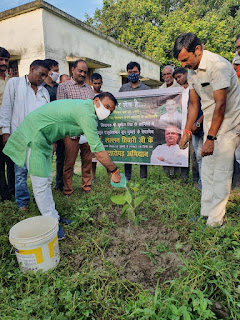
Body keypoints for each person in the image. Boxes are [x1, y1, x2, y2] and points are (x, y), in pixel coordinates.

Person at [3, 92, 120, 239]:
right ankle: (51, 224)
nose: (107, 111)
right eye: (107, 106)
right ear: (96, 100)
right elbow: (96, 147)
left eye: (110, 110)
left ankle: (53, 217)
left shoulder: (87, 111)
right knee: (40, 182)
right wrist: (114, 170)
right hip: (34, 133)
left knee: (46, 180)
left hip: (44, 138)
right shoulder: (86, 113)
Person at [174, 32, 240, 227]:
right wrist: (186, 132)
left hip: (229, 123)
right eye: (181, 62)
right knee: (208, 170)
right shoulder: (192, 70)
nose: (184, 65)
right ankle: (206, 213)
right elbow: (194, 105)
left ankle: (216, 221)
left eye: (185, 60)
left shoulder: (217, 65)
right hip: (212, 123)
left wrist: (210, 138)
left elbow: (221, 105)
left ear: (198, 50)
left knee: (221, 171)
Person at [0, 60, 50, 211]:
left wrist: (51, 140)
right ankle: (22, 203)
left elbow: (47, 117)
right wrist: (5, 132)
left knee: (40, 171)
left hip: (40, 139)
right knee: (20, 172)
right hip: (20, 136)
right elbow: (6, 108)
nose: (43, 78)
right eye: (41, 74)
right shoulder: (15, 84)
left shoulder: (44, 92)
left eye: (46, 75)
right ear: (32, 69)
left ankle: (39, 198)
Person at [57, 59, 94, 196]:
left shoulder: (89, 89)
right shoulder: (64, 87)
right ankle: (68, 190)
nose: (83, 74)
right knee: (69, 162)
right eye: (80, 71)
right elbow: (61, 110)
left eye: (85, 72)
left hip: (86, 131)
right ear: (73, 70)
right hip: (71, 131)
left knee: (87, 161)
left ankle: (86, 186)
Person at [173, 67, 203, 189]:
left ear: (186, 74)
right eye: (176, 79)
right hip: (181, 127)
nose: (178, 80)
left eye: (179, 77)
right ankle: (183, 180)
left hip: (195, 128)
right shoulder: (177, 92)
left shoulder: (194, 88)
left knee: (195, 155)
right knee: (182, 155)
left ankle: (196, 180)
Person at [119, 61, 150, 180]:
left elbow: (150, 107)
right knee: (128, 150)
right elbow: (119, 105)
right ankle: (127, 177)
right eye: (130, 72)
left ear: (140, 73)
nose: (132, 74)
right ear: (127, 73)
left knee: (143, 150)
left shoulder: (146, 89)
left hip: (141, 126)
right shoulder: (123, 88)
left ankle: (143, 177)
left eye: (135, 72)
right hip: (127, 126)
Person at [0, 47, 15, 201]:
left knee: (12, 163)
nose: (3, 63)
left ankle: (13, 191)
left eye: (6, 60)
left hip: (11, 130)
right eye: (1, 60)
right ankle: (4, 196)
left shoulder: (11, 81)